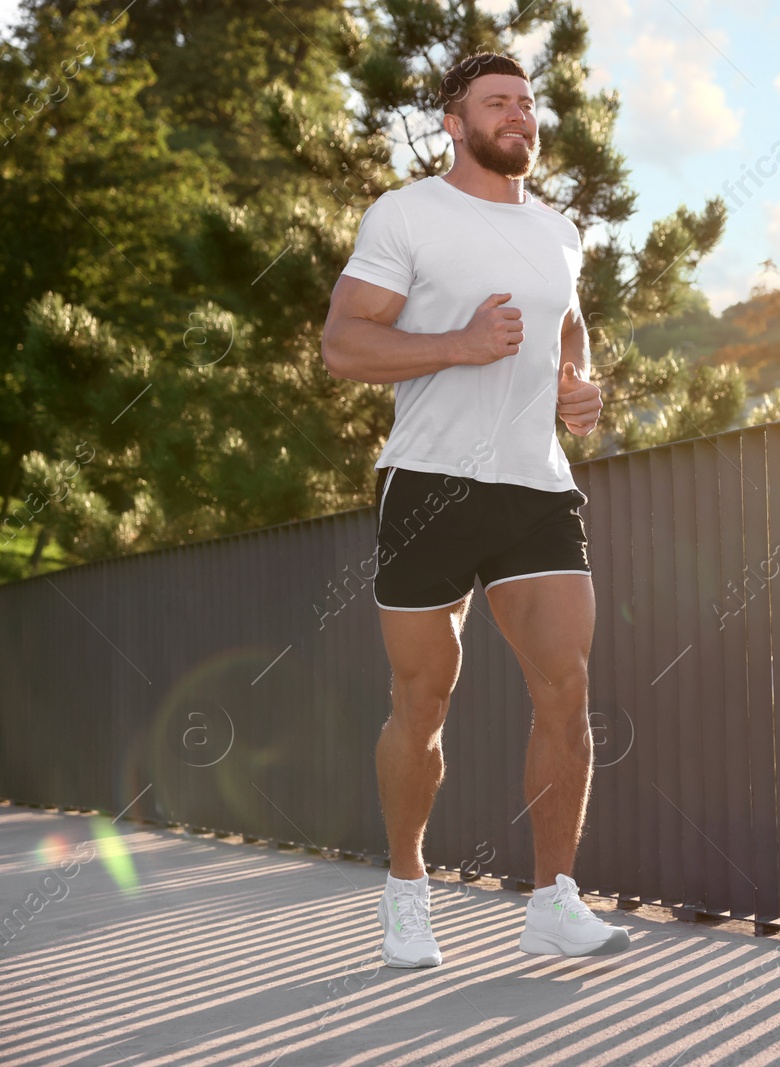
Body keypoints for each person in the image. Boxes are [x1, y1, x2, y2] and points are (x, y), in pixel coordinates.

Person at [320, 51, 628, 969]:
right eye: (498, 103)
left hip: (536, 483)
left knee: (567, 687)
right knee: (423, 697)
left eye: (528, 105)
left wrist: (580, 384)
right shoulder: (408, 213)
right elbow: (343, 344)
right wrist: (457, 343)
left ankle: (552, 899)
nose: (520, 117)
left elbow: (568, 322)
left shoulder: (560, 230)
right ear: (454, 123)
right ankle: (408, 889)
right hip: (430, 482)